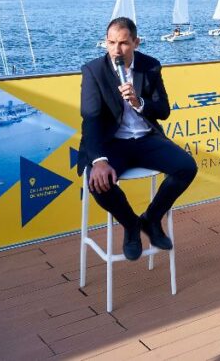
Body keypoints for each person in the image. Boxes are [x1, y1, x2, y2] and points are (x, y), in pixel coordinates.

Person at [78, 17, 198, 261]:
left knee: (187, 167)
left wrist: (139, 102)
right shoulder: (93, 70)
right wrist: (99, 160)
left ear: (136, 42)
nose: (116, 50)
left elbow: (163, 111)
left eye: (123, 43)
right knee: (98, 183)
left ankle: (151, 219)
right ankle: (132, 225)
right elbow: (90, 119)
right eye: (111, 43)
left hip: (145, 138)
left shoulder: (150, 66)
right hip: (112, 143)